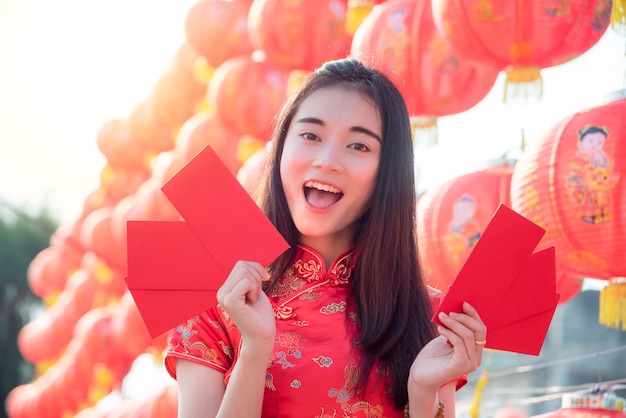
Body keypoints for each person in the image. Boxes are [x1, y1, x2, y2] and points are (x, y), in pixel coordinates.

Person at [164, 57, 487, 418]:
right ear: (282, 148)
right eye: (310, 136)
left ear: (388, 173)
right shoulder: (219, 297)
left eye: (359, 146)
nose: (327, 160)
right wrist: (255, 348)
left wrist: (424, 393)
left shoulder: (425, 316)